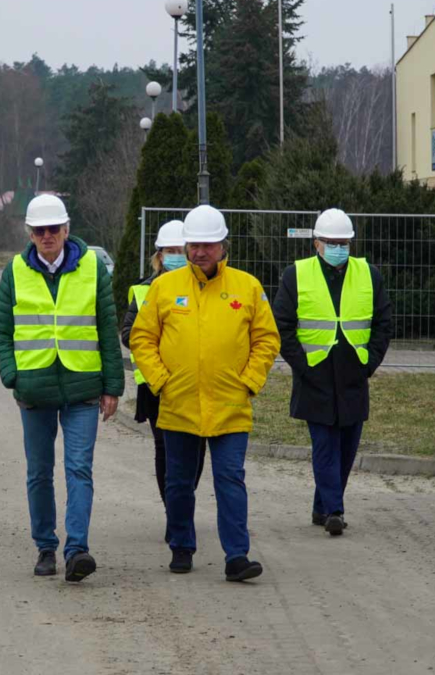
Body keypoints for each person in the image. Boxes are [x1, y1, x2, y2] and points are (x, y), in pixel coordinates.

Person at [129, 205, 279, 582]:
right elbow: (141, 339)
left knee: (230, 479)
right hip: (178, 404)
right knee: (179, 481)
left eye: (207, 245)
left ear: (223, 246)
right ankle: (181, 546)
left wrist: (249, 381)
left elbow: (266, 339)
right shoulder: (164, 287)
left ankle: (237, 556)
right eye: (194, 245)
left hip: (230, 405)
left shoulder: (247, 287)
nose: (199, 252)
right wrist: (161, 381)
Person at [0, 194, 124, 583]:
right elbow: (1, 330)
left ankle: (77, 549)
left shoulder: (92, 268)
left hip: (83, 385)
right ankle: (46, 546)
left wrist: (112, 385)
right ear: (30, 234)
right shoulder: (14, 271)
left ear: (67, 230)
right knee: (39, 472)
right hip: (35, 389)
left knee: (79, 468)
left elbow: (106, 327)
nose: (47, 236)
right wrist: (13, 374)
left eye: (54, 229)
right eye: (39, 230)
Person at [272, 209, 393, 537]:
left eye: (345, 243)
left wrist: (369, 364)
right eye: (332, 243)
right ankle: (334, 511)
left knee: (346, 447)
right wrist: (303, 365)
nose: (339, 248)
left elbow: (383, 325)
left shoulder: (370, 274)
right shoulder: (295, 275)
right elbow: (281, 326)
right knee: (325, 444)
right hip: (315, 375)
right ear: (316, 244)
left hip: (354, 373)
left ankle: (320, 505)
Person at [120, 220, 204, 542]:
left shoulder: (201, 286)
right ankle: (175, 513)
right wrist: (159, 354)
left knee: (197, 450)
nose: (174, 257)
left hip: (195, 381)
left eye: (178, 251)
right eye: (168, 251)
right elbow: (129, 333)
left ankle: (181, 504)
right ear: (158, 256)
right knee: (164, 449)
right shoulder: (143, 290)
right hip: (156, 385)